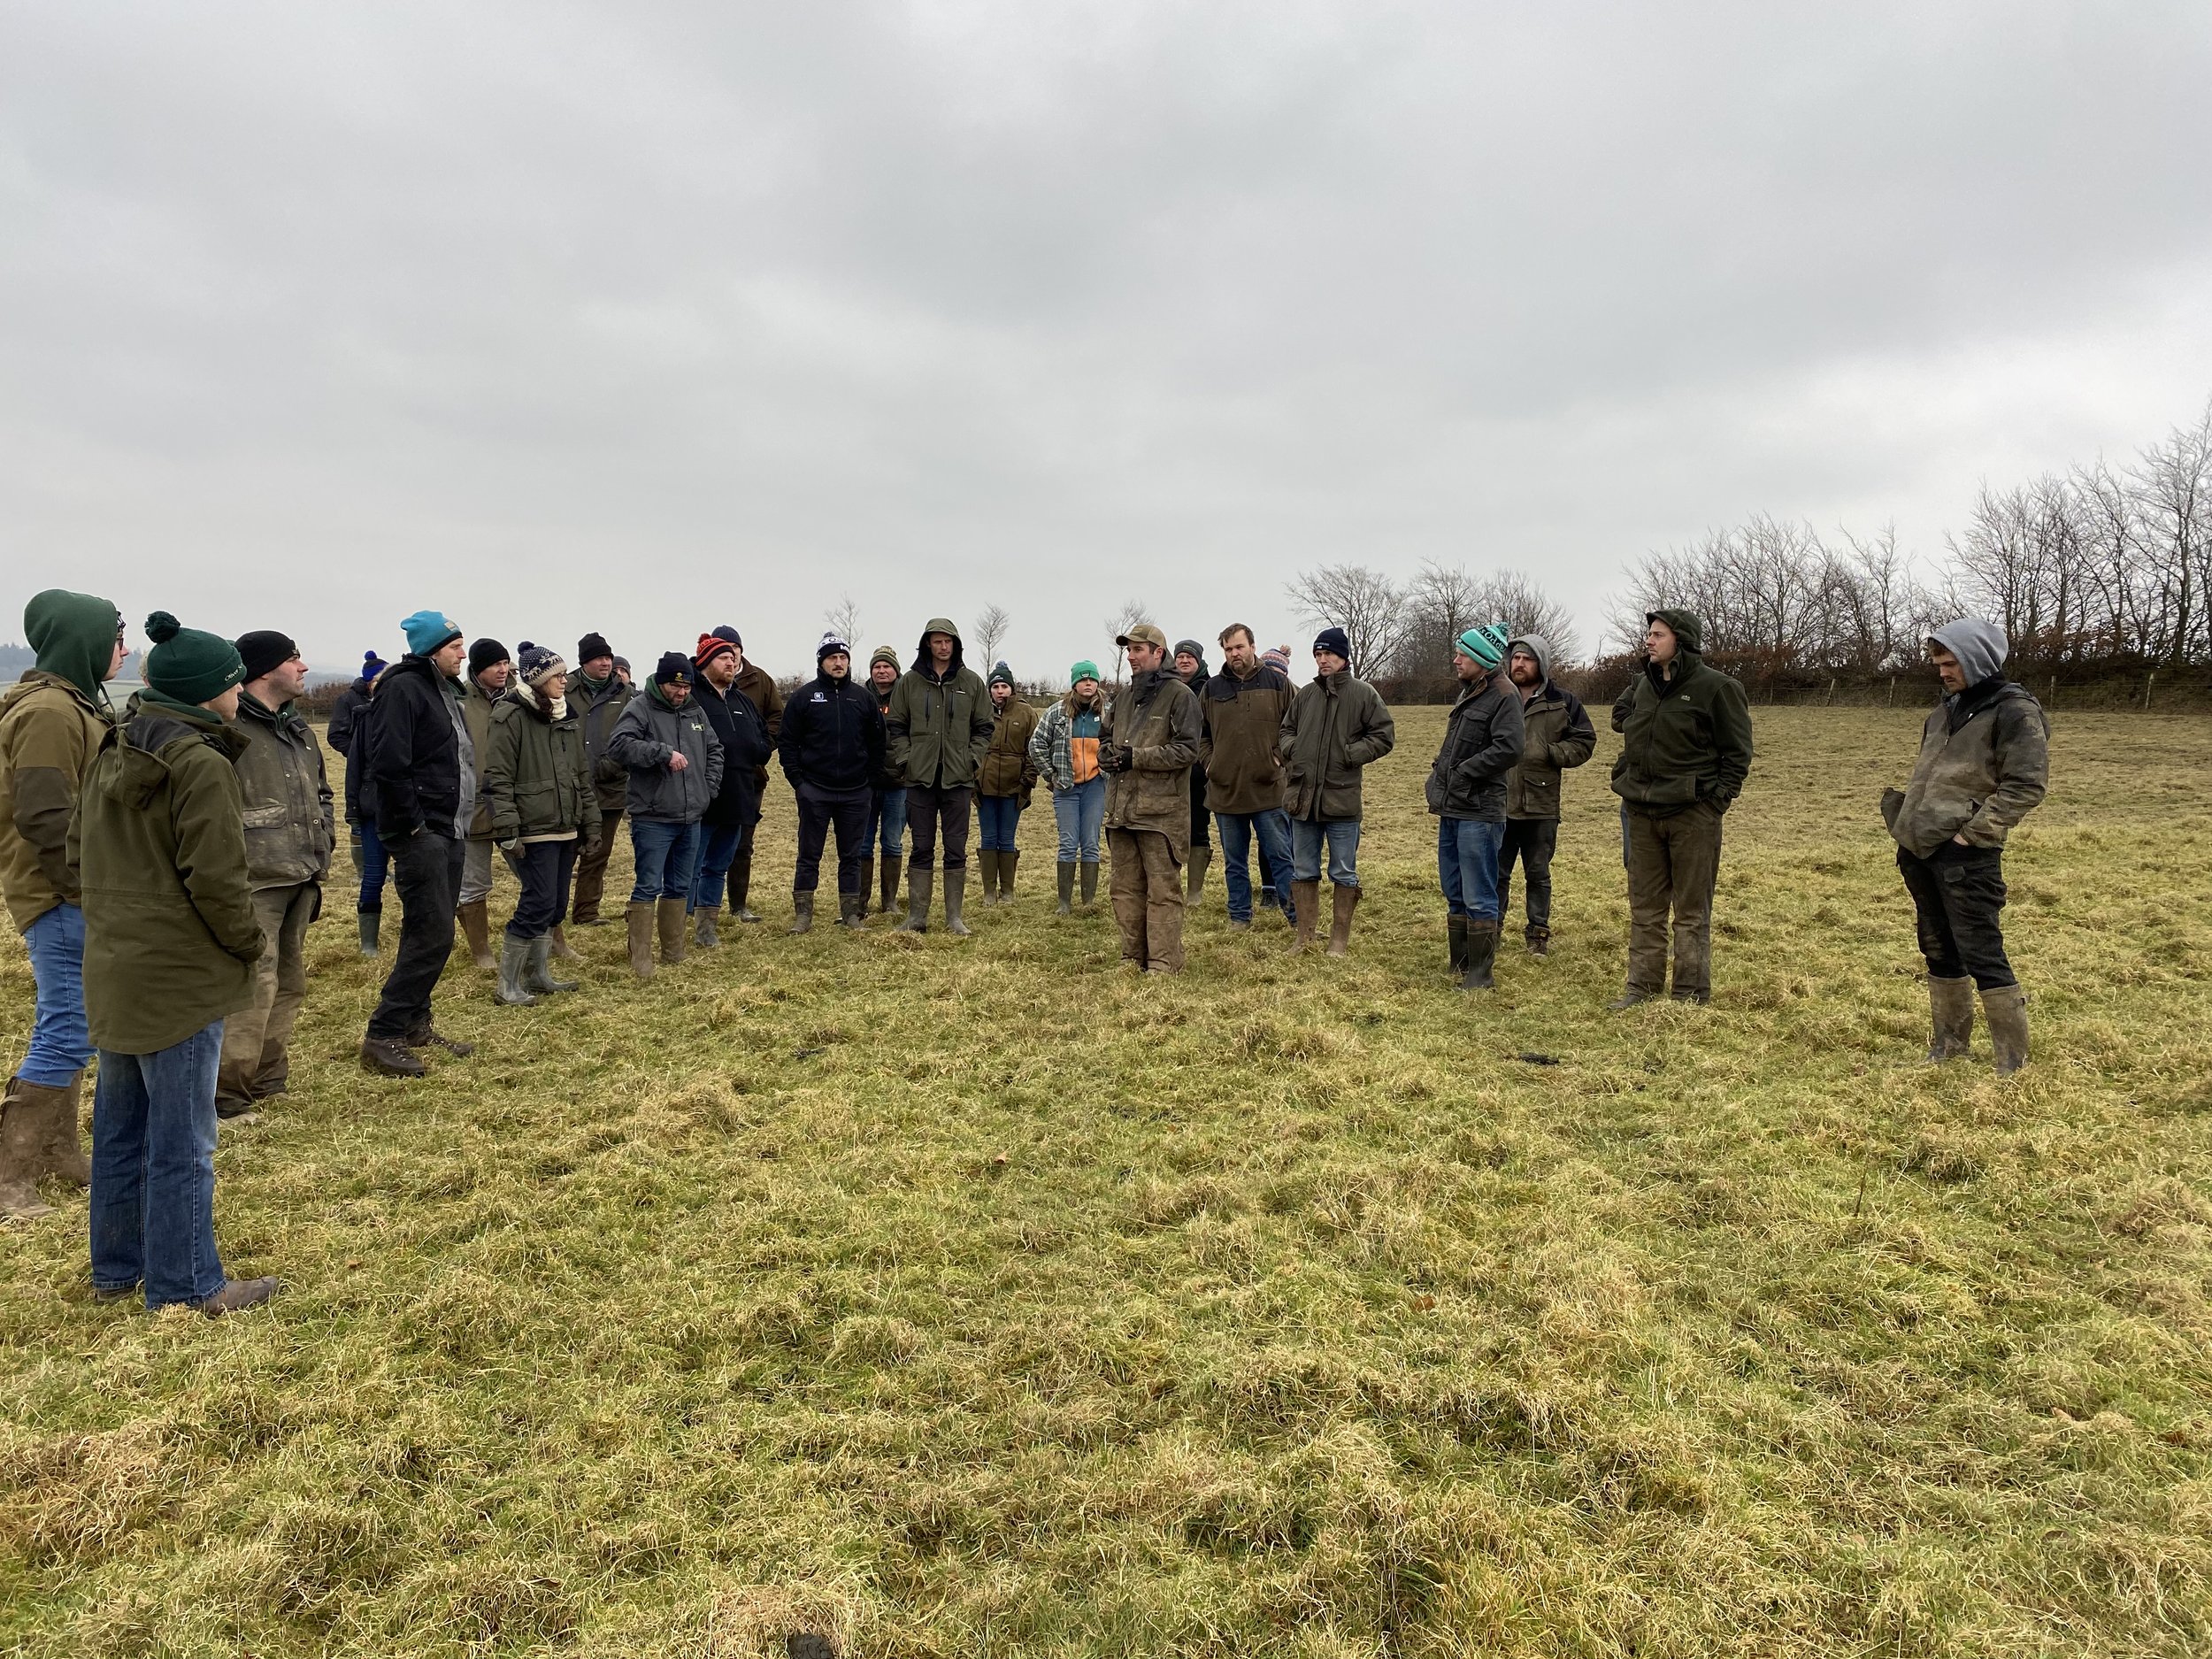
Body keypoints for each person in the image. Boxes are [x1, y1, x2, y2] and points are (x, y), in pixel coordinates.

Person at [73, 612, 278, 1314]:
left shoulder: (114, 743)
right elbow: (219, 881)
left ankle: (116, 1270)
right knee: (184, 1142)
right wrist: (250, 944)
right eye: (231, 681)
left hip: (115, 967)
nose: (238, 689)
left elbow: (77, 853)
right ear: (207, 693)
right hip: (181, 979)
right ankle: (188, 1285)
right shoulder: (200, 762)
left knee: (119, 1132)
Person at [0, 589, 123, 1218]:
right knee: (67, 1026)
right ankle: (9, 1177)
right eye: (114, 635)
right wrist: (85, 892)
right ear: (82, 641)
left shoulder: (70, 703)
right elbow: (47, 816)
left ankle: (58, 1153)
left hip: (75, 889)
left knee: (77, 1024)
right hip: (62, 892)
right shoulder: (49, 710)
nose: (123, 649)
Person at [1885, 619, 2047, 1075]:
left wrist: (1970, 835)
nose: (1942, 672)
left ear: (1978, 659)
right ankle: (1949, 1046)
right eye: (1938, 663)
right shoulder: (1943, 711)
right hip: (1918, 848)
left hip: (1967, 855)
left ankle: (2012, 1063)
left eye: (1951, 662)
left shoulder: (2014, 711)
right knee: (1936, 945)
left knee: (1981, 949)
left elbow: (2026, 785)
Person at [1609, 609, 1755, 1007]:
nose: (1649, 641)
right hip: (1641, 811)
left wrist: (1715, 802)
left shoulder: (1718, 688)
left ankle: (1690, 996)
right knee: (1645, 908)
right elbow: (1621, 722)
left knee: (1691, 912)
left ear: (1682, 640)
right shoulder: (1641, 685)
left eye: (1658, 635)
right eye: (1649, 634)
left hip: (1694, 815)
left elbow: (1738, 753)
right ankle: (1641, 989)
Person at [216, 631, 334, 1118]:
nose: (304, 667)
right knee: (252, 986)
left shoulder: (299, 730)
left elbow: (323, 792)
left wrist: (322, 836)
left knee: (289, 982)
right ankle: (228, 1095)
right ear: (264, 670)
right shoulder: (229, 727)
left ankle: (268, 1078)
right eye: (294, 658)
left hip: (301, 875)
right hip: (255, 881)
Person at [360, 610, 478, 1077]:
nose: (463, 654)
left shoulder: (441, 690)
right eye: (455, 646)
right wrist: (413, 826)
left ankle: (414, 1023)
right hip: (422, 831)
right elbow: (389, 762)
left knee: (429, 928)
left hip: (448, 827)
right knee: (433, 933)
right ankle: (384, 1031)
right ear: (432, 648)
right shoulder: (404, 688)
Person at [480, 645, 599, 1005]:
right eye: (558, 675)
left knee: (556, 904)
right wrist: (507, 829)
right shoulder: (510, 717)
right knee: (537, 902)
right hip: (533, 827)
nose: (565, 680)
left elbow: (581, 774)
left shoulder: (566, 717)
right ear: (538, 680)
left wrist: (590, 823)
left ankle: (538, 975)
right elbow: (497, 778)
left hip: (566, 825)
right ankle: (508, 985)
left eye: (564, 674)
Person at [1279, 626, 1396, 955]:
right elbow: (1286, 729)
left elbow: (1384, 735)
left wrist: (1351, 754)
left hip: (1342, 799)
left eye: (1328, 653)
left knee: (1343, 870)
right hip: (1303, 799)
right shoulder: (1306, 695)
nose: (1322, 659)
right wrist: (1293, 749)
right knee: (1303, 868)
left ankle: (1339, 940)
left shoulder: (1364, 694)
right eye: (1318, 654)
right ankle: (1304, 938)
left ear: (1343, 657)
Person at [609, 652, 723, 978]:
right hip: (653, 817)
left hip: (691, 816)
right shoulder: (640, 708)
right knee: (648, 886)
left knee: (681, 885)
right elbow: (619, 746)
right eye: (676, 686)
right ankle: (641, 957)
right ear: (661, 683)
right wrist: (660, 753)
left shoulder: (695, 711)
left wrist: (707, 787)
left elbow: (714, 749)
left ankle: (674, 950)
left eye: (686, 686)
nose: (681, 692)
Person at [1425, 626, 1524, 989]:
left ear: (1481, 659)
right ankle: (1461, 963)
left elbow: (1510, 748)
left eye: (1462, 654)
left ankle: (1481, 975)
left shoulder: (1503, 695)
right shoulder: (1470, 693)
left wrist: (1464, 773)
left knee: (1480, 893)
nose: (1456, 659)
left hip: (1480, 812)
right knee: (1453, 888)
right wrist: (1437, 779)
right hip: (1453, 807)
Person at [1101, 624, 1203, 972]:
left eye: (1138, 650)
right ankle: (1132, 957)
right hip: (1122, 810)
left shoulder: (1181, 697)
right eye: (1128, 650)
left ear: (1159, 653)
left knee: (1162, 892)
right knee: (1124, 889)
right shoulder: (1124, 697)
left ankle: (1163, 962)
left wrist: (1137, 758)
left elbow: (1188, 750)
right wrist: (1104, 754)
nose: (1130, 656)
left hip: (1161, 814)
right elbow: (1105, 735)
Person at [886, 618, 993, 936]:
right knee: (920, 846)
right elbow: (896, 726)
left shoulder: (972, 683)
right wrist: (907, 760)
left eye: (948, 641)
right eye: (937, 641)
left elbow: (984, 728)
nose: (943, 647)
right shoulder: (908, 683)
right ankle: (917, 916)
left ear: (956, 644)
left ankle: (954, 918)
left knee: (956, 847)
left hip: (958, 780)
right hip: (919, 779)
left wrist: (971, 759)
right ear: (927, 644)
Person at [778, 633, 885, 932]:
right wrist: (799, 781)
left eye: (843, 658)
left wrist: (870, 782)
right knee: (809, 853)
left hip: (855, 792)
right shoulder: (804, 697)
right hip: (815, 790)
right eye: (832, 658)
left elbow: (879, 743)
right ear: (821, 662)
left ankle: (851, 914)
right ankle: (803, 915)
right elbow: (787, 742)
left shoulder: (863, 698)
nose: (838, 663)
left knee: (851, 854)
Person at [1499, 634, 1595, 956]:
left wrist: (1550, 752)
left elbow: (1584, 742)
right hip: (1498, 803)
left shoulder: (1563, 702)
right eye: (1515, 658)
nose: (1520, 664)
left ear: (1542, 663)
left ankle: (1537, 935)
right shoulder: (1496, 696)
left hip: (1541, 804)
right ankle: (1491, 931)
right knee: (1496, 873)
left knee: (1538, 873)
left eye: (1527, 658)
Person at [1200, 624, 1296, 933]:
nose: (1234, 654)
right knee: (1234, 861)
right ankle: (1239, 916)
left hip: (1269, 790)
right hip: (1226, 791)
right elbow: (1200, 734)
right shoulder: (1211, 689)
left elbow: (1295, 726)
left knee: (1281, 856)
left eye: (1239, 647)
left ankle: (1297, 918)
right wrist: (1210, 764)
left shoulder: (1278, 683)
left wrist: (1278, 758)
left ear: (1253, 646)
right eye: (1228, 649)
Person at [687, 633, 773, 947]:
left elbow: (763, 736)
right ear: (706, 663)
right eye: (724, 658)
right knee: (692, 862)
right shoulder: (693, 698)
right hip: (703, 796)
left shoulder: (742, 700)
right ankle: (679, 923)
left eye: (733, 657)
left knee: (719, 864)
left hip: (740, 793)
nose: (731, 662)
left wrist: (759, 748)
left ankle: (706, 927)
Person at [566, 632, 633, 935]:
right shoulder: (563, 689)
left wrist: (615, 764)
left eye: (608, 657)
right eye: (599, 658)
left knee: (598, 852)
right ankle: (551, 913)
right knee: (564, 851)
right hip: (568, 787)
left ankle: (586, 910)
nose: (606, 662)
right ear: (584, 662)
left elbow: (636, 734)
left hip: (611, 787)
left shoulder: (627, 693)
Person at [1029, 661, 1108, 915]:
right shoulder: (1055, 713)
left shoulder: (1109, 714)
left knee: (1091, 842)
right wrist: (1051, 775)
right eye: (1083, 680)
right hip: (1066, 787)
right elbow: (1036, 745)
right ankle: (1064, 902)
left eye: (1092, 680)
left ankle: (1088, 902)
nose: (1088, 684)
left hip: (1096, 787)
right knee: (1068, 842)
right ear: (1074, 684)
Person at [326, 652, 391, 955]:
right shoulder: (361, 717)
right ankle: (369, 943)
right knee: (373, 874)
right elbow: (352, 772)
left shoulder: (410, 719)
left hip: (407, 812)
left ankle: (415, 933)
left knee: (411, 877)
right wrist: (353, 810)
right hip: (372, 808)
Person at [718, 628, 785, 924]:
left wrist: (763, 747)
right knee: (704, 841)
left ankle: (738, 905)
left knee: (743, 843)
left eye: (735, 647)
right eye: (724, 648)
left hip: (750, 776)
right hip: (711, 775)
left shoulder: (760, 680)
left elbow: (777, 717)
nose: (731, 653)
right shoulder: (700, 680)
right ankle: (698, 905)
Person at [454, 638, 511, 972]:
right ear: (477, 669)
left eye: (505, 663)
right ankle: (482, 951)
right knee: (473, 881)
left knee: (537, 875)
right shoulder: (458, 701)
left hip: (512, 805)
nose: (502, 670)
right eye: (495, 665)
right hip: (472, 806)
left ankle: (554, 940)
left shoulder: (519, 699)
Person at [975, 662, 1039, 905]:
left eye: (1004, 686)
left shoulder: (1026, 713)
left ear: (1012, 689)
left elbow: (1033, 750)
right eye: (995, 686)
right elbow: (970, 746)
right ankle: (989, 892)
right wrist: (974, 781)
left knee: (1007, 839)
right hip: (986, 786)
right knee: (988, 838)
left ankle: (1008, 892)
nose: (1000, 691)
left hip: (1014, 788)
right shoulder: (980, 712)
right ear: (989, 689)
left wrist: (1027, 783)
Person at [861, 645, 907, 915]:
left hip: (898, 784)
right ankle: (860, 901)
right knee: (863, 842)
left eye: (886, 666)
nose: (881, 671)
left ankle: (889, 901)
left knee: (892, 841)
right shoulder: (860, 697)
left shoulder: (906, 697)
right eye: (877, 667)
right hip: (865, 784)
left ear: (895, 670)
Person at [1172, 641, 1214, 899]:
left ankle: (1194, 892)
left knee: (1198, 825)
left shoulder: (1209, 688)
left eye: (1190, 657)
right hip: (1171, 769)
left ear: (1199, 661)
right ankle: (1171, 882)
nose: (1184, 661)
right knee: (1172, 827)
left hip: (1199, 770)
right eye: (1180, 657)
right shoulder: (1166, 687)